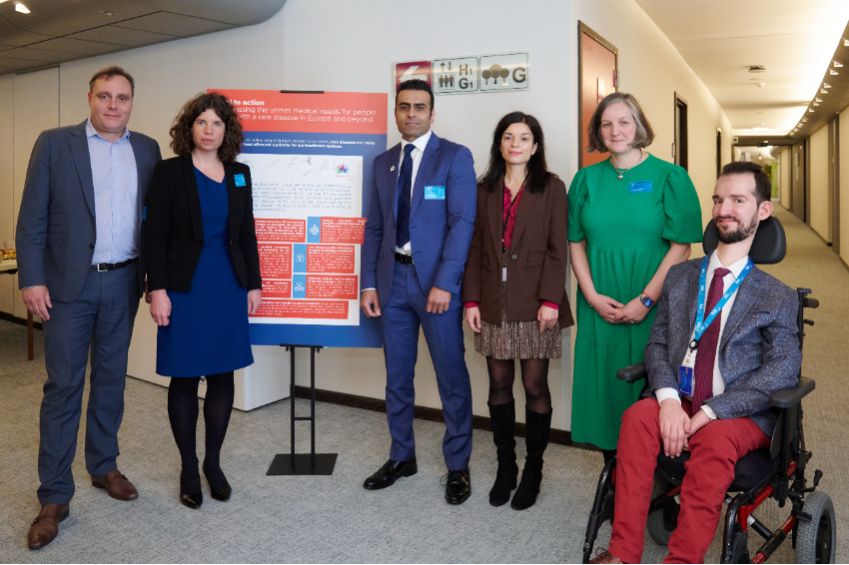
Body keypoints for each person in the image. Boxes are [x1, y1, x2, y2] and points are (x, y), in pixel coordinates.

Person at [590, 162, 802, 564]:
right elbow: (657, 343)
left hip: (737, 411)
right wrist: (668, 400)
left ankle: (684, 559)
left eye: (738, 200)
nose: (725, 209)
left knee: (714, 439)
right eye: (719, 199)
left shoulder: (777, 296)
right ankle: (622, 552)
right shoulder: (681, 277)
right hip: (680, 394)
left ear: (763, 210)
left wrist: (710, 411)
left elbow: (781, 371)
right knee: (637, 418)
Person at [16, 66, 161, 550]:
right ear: (90, 98)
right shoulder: (55, 144)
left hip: (123, 283)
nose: (113, 104)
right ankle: (54, 497)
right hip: (67, 289)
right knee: (63, 388)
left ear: (131, 102)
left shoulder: (146, 149)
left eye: (122, 97)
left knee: (112, 381)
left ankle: (103, 465)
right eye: (104, 95)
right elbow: (32, 215)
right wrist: (31, 278)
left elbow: (153, 223)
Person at [360, 79, 477, 504]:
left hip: (436, 287)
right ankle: (401, 455)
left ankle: (458, 464)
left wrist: (446, 282)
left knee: (451, 377)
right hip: (393, 284)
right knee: (397, 378)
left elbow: (462, 224)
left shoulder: (454, 157)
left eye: (420, 107)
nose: (412, 113)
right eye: (404, 107)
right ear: (396, 111)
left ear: (432, 112)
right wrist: (369, 282)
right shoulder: (383, 163)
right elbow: (374, 227)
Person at [569, 92, 702, 460]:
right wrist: (592, 295)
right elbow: (575, 242)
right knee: (606, 388)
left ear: (639, 125)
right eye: (606, 123)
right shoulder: (585, 181)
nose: (615, 130)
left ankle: (655, 478)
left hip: (654, 301)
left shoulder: (669, 177)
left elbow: (681, 247)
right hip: (600, 303)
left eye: (624, 121)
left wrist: (646, 300)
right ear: (598, 130)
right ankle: (614, 473)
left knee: (653, 384)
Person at [144, 93, 262, 509]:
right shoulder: (170, 172)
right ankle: (189, 467)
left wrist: (254, 284)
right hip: (183, 290)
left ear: (226, 131)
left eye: (217, 124)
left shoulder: (239, 174)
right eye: (202, 123)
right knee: (184, 377)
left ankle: (213, 464)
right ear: (189, 128)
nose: (209, 131)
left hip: (228, 287)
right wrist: (156, 288)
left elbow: (246, 232)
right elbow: (154, 234)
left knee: (222, 377)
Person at [462, 112, 573, 510]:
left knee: (535, 386)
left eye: (523, 138)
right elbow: (474, 248)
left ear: (535, 146)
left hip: (535, 303)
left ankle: (533, 469)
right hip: (493, 301)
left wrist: (550, 300)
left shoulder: (552, 187)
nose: (515, 144)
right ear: (499, 144)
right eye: (508, 137)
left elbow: (558, 249)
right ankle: (505, 466)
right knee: (497, 383)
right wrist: (470, 300)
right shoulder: (483, 189)